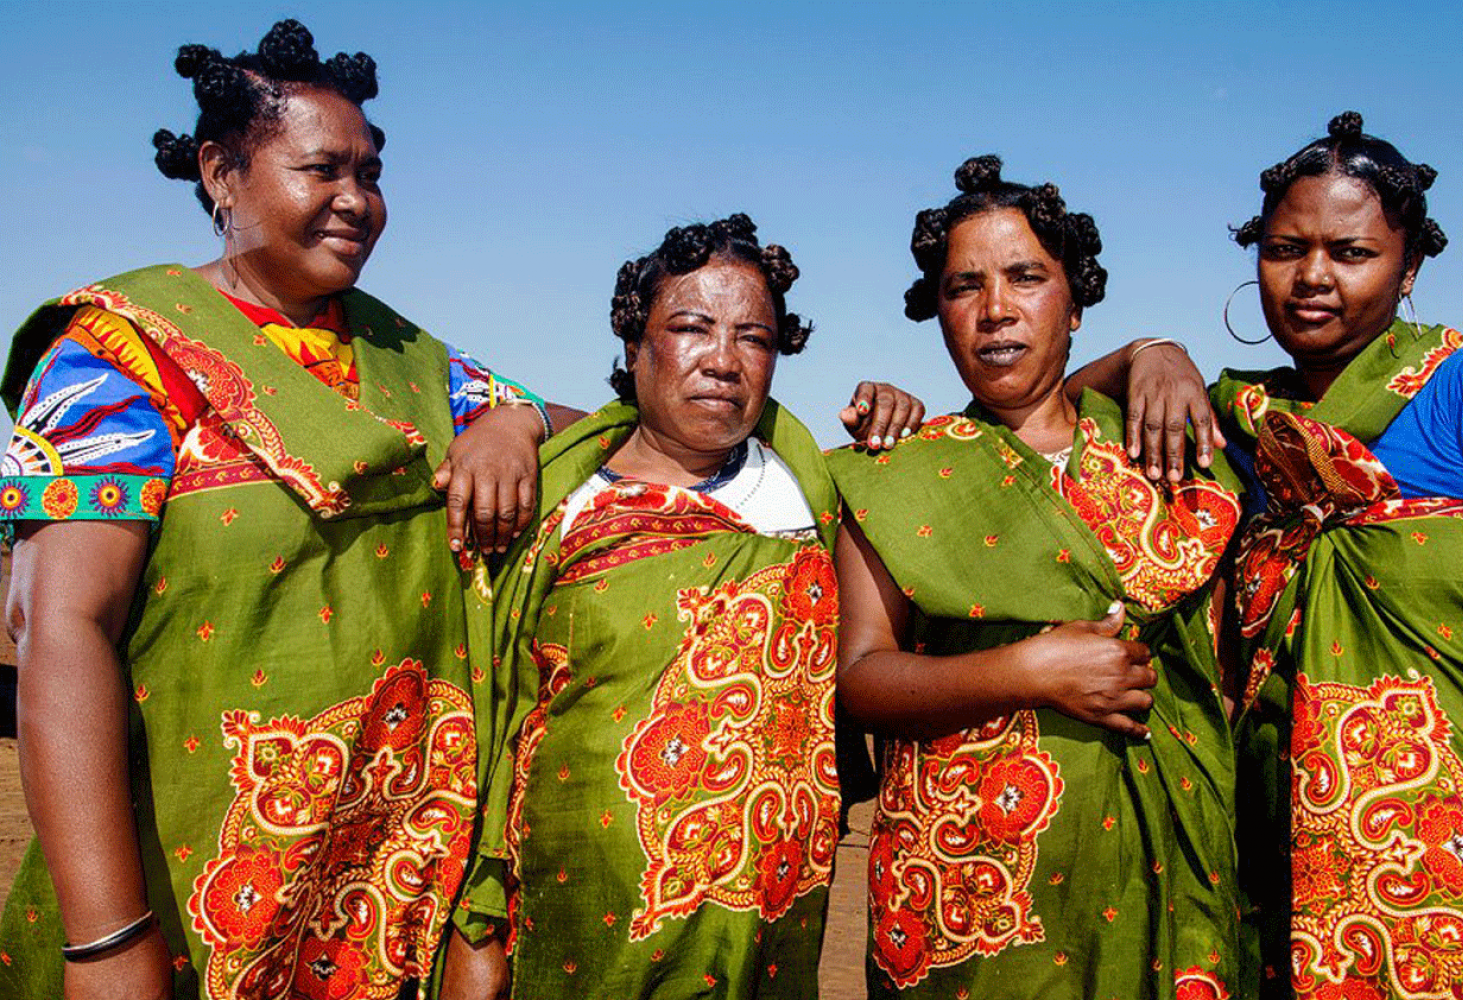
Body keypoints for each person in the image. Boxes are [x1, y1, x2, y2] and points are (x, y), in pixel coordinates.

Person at [0, 21, 563, 1000]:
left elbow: (587, 429)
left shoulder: (417, 364)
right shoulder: (126, 353)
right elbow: (60, 625)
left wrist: (512, 421)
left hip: (387, 902)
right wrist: (106, 941)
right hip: (182, 892)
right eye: (323, 170)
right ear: (222, 173)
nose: (358, 199)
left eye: (372, 172)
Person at [1091, 111, 1463, 999]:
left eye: (1351, 253)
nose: (1312, 278)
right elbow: (1045, 416)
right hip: (1297, 872)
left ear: (1410, 269)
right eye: (1285, 249)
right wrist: (1148, 349)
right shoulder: (1233, 424)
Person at [465, 214, 922, 1000]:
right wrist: (479, 923)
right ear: (634, 345)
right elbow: (491, 716)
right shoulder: (557, 497)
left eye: (754, 338)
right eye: (689, 327)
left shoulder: (804, 485)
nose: (722, 361)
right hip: (582, 903)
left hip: (775, 918)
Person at [827, 156, 1244, 1000]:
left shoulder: (1162, 446)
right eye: (962, 286)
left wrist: (1152, 351)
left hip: (1169, 849)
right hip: (969, 885)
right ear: (936, 311)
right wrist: (1029, 671)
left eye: (1027, 277)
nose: (995, 310)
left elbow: (1227, 665)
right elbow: (861, 679)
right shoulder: (894, 474)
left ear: (1076, 301)